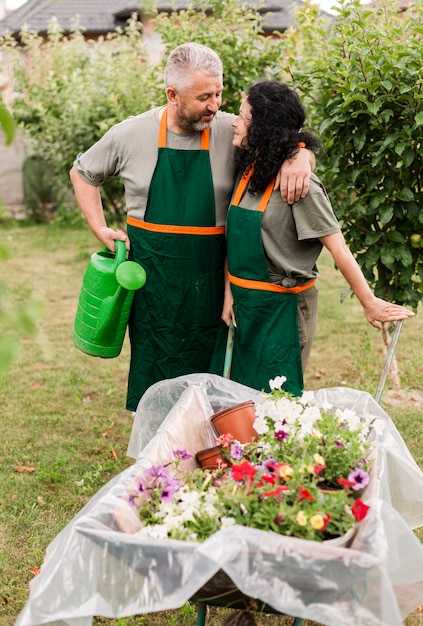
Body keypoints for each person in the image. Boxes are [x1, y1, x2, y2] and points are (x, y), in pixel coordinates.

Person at [69, 43, 315, 412]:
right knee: (155, 367)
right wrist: (100, 228)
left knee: (215, 379)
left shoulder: (229, 132)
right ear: (172, 94)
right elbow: (83, 171)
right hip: (155, 283)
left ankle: (208, 451)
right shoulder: (130, 134)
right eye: (204, 96)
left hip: (213, 282)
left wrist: (301, 155)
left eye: (219, 92)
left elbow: (279, 142)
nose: (215, 105)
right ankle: (158, 454)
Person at [213, 80, 414, 396]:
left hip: (282, 314)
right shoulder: (250, 169)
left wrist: (369, 302)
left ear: (263, 129)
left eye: (242, 117)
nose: (234, 123)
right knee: (241, 405)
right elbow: (234, 241)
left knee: (277, 409)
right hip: (245, 308)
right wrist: (229, 291)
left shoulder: (300, 187)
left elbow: (339, 248)